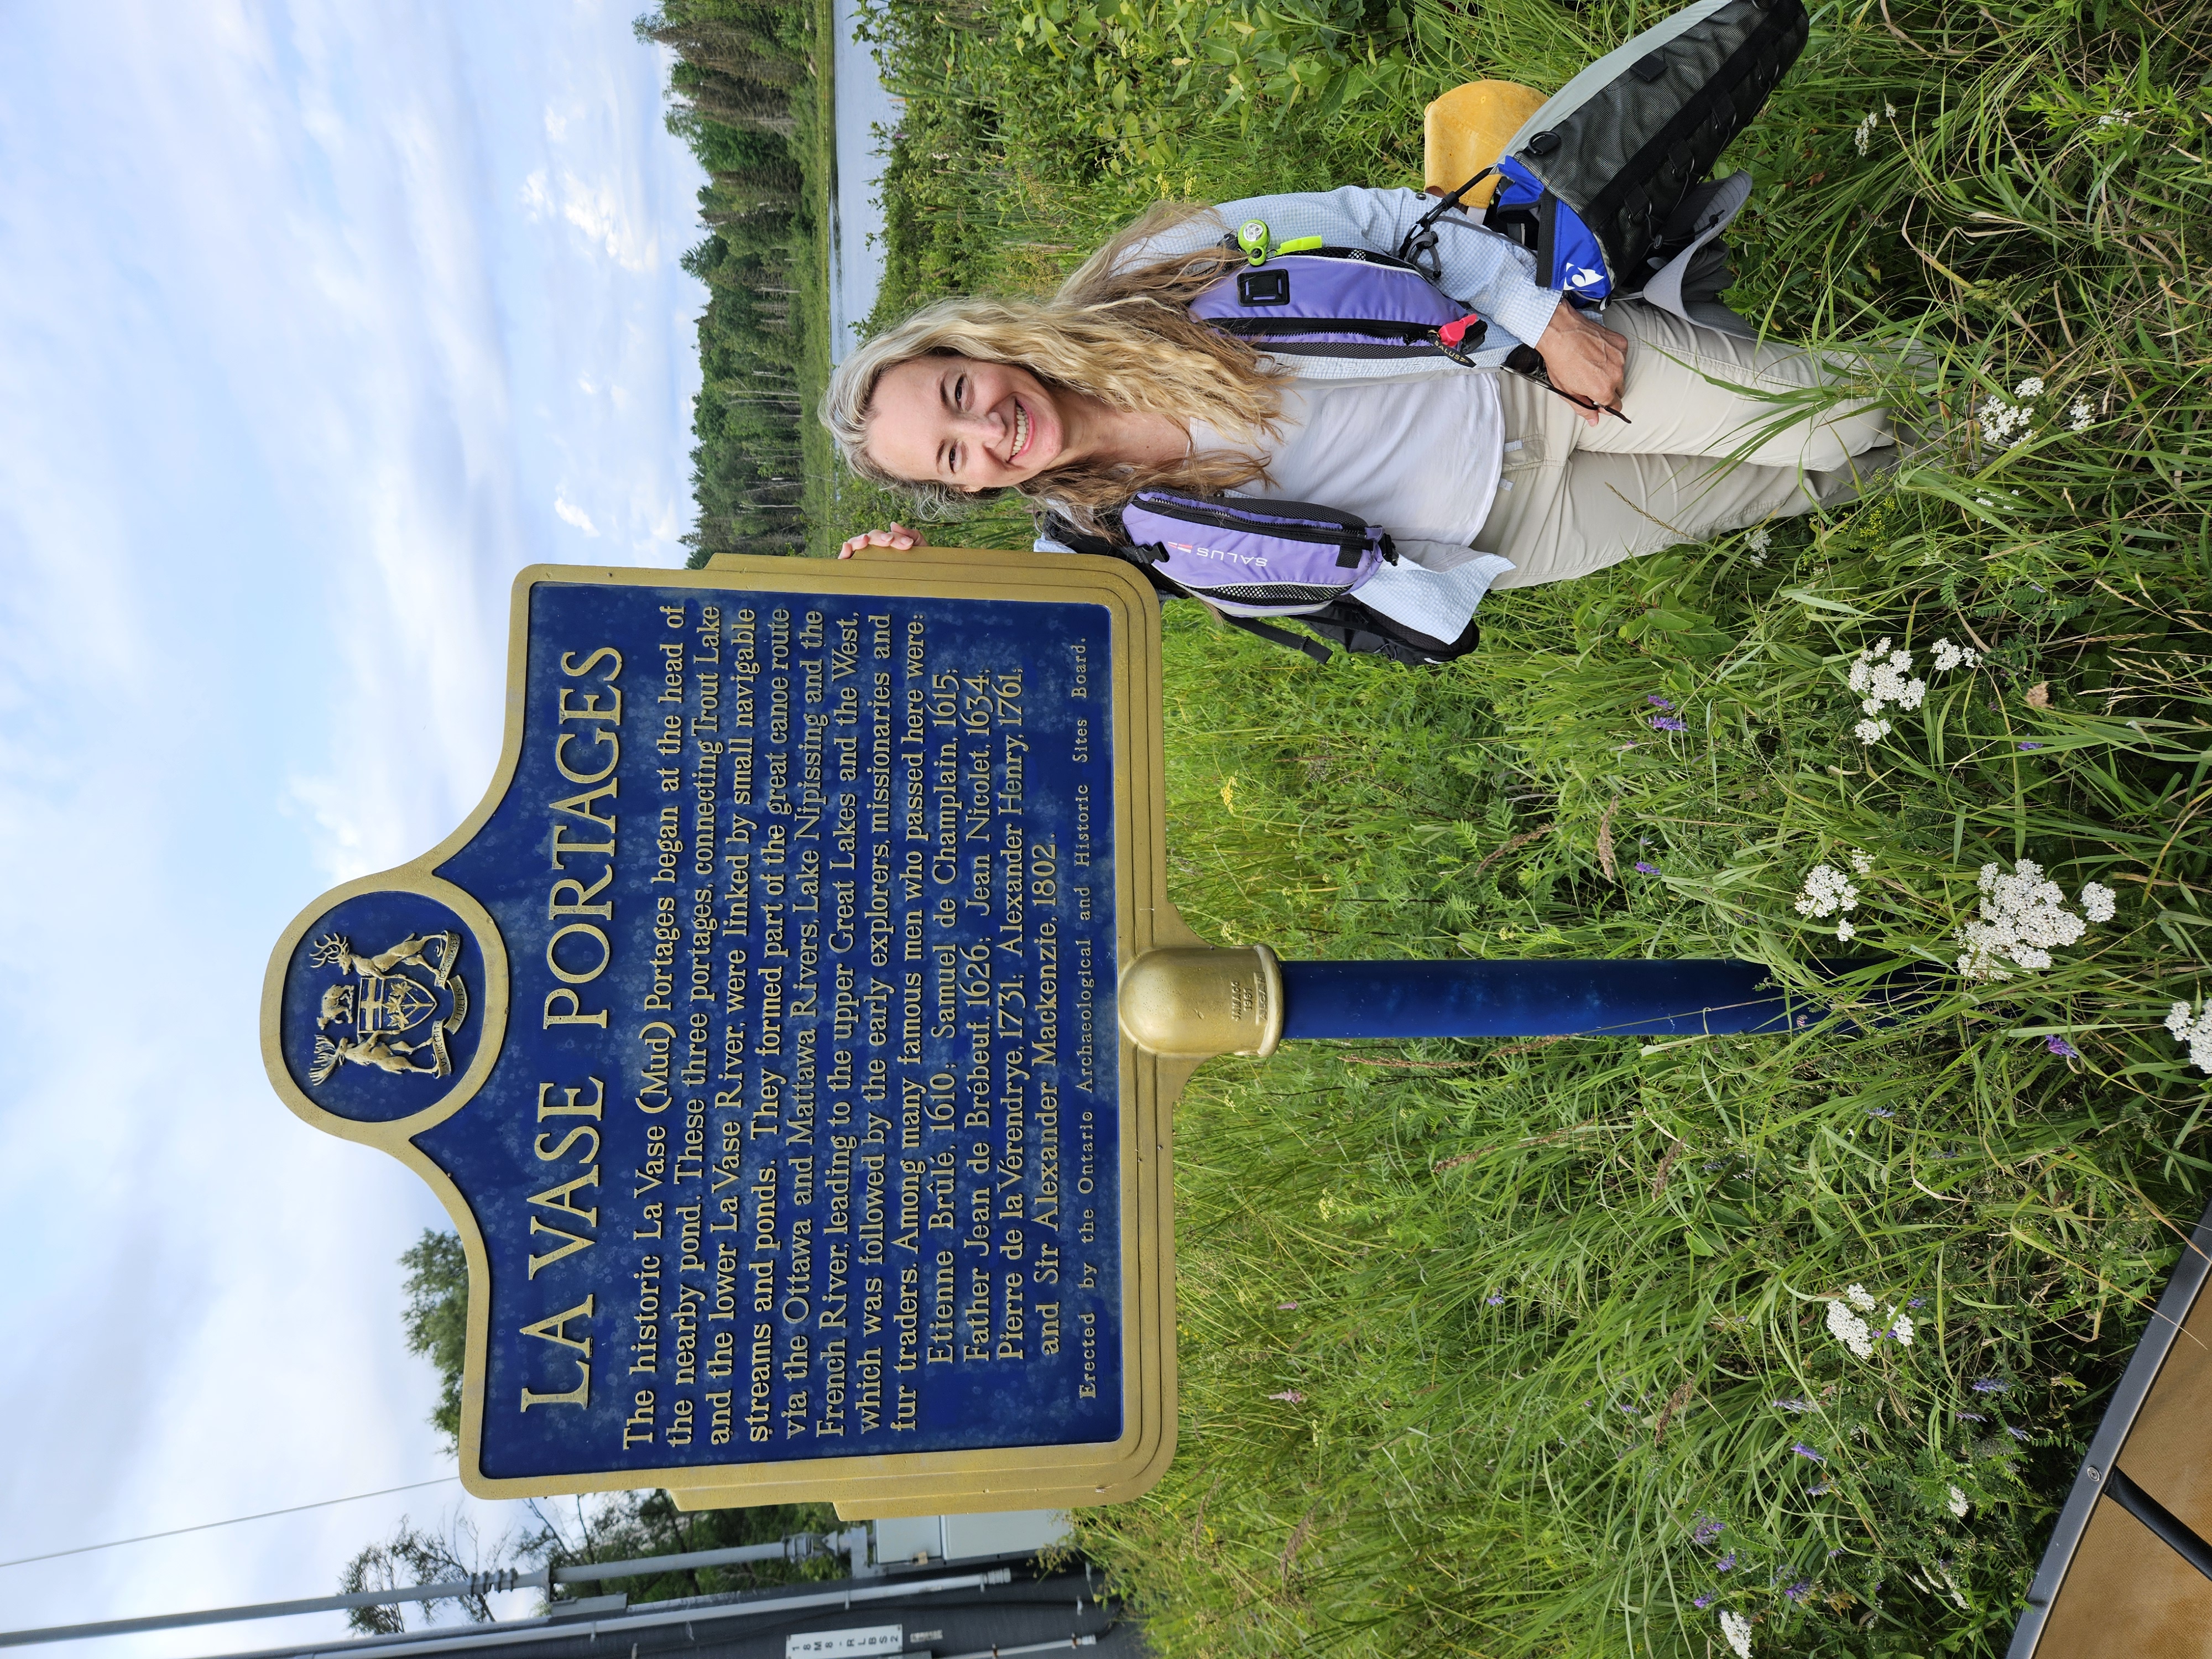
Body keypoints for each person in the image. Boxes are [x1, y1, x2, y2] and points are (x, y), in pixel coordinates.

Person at [824, 187, 1900, 644]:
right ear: (963, 488)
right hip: (1510, 535)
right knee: (1798, 482)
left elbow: (1378, 223)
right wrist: (929, 603)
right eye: (953, 454)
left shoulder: (1146, 278)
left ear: (975, 347)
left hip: (1535, 379)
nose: (988, 428)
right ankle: (2014, 451)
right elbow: (1061, 649)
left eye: (957, 395)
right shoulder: (1087, 545)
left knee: (1842, 418)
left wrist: (1542, 323)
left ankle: (2012, 388)